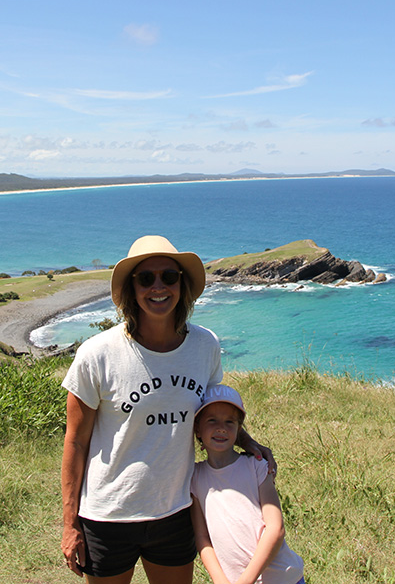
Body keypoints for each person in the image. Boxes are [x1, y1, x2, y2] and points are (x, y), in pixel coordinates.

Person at [61, 235, 272, 584]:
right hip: (108, 514)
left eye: (168, 277)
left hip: (175, 510)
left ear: (182, 284)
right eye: (146, 278)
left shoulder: (205, 345)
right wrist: (70, 524)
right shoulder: (97, 354)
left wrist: (246, 442)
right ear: (132, 288)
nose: (158, 287)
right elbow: (75, 442)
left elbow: (209, 413)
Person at [190, 385, 304, 584]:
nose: (221, 428)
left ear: (239, 428)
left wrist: (245, 581)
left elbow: (275, 528)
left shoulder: (257, 466)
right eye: (212, 420)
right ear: (197, 428)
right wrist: (220, 580)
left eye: (229, 421)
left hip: (281, 578)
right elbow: (202, 539)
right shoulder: (195, 477)